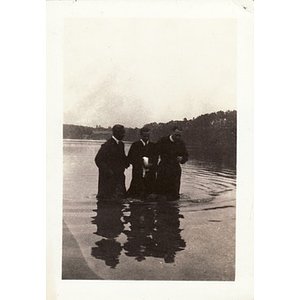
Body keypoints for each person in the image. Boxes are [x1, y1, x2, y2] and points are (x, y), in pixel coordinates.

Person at [95, 124, 129, 199]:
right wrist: (108, 171)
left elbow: (122, 157)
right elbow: (98, 160)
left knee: (120, 196)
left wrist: (128, 162)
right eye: (122, 133)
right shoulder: (107, 145)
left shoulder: (121, 144)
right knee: (107, 198)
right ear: (116, 133)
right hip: (108, 178)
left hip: (119, 175)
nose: (124, 135)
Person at [155, 126, 188, 200]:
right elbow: (154, 152)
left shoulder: (181, 143)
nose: (177, 137)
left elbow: (186, 155)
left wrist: (182, 158)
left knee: (174, 193)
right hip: (164, 168)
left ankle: (173, 208)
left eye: (179, 135)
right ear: (172, 132)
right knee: (161, 192)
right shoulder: (163, 140)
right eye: (176, 135)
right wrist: (154, 166)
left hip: (175, 169)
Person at [127, 126, 158, 198]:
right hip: (138, 172)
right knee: (136, 191)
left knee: (149, 192)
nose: (146, 138)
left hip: (150, 173)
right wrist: (141, 163)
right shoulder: (135, 145)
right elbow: (130, 158)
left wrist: (151, 164)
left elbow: (156, 158)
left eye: (148, 136)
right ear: (141, 135)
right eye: (144, 136)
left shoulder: (153, 145)